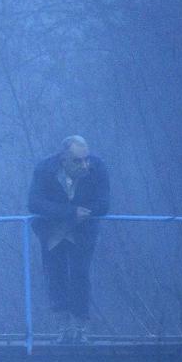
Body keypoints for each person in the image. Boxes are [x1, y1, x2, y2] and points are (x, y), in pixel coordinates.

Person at [28, 134, 110, 341]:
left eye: (86, 159)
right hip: (52, 230)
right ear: (63, 158)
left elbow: (104, 202)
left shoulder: (97, 167)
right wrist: (69, 212)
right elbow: (34, 202)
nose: (84, 165)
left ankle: (81, 327)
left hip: (83, 230)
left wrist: (86, 212)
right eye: (77, 161)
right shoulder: (44, 169)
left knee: (80, 274)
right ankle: (62, 327)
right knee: (55, 275)